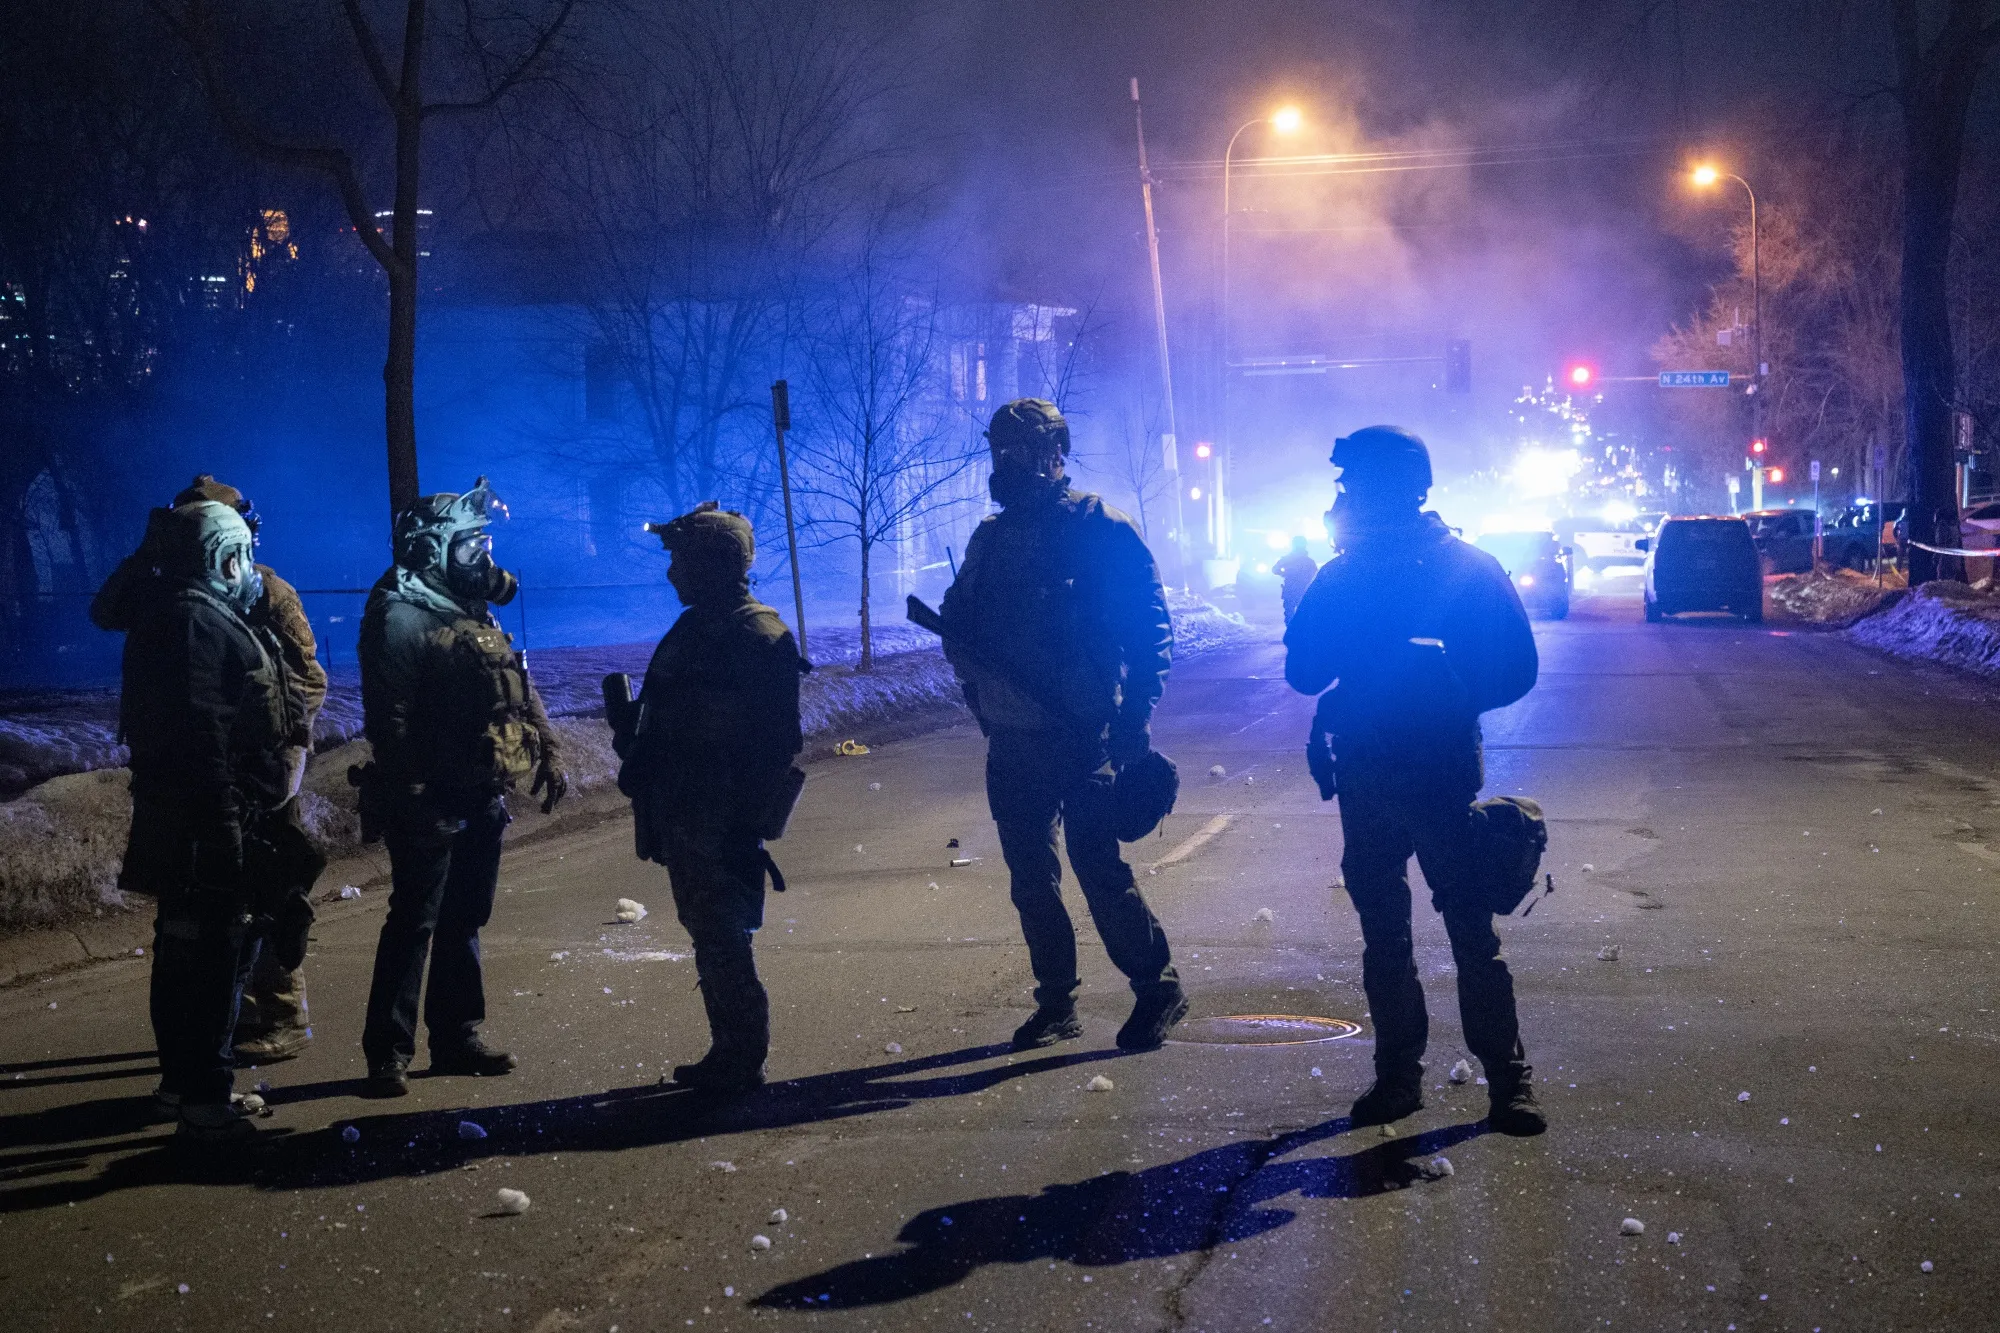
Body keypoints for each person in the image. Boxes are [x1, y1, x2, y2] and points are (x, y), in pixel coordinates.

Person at [1283, 424, 1547, 1136]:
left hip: (1432, 774)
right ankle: (1405, 1077)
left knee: (1465, 932)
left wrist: (1447, 687)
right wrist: (1302, 593)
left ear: (1391, 489)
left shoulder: (1459, 567)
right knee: (1391, 935)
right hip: (1372, 773)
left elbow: (1515, 666)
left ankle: (1504, 1079)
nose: (1342, 496)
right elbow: (1307, 671)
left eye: (1353, 484)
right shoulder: (1350, 573)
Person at [940, 398, 1187, 1053]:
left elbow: (1151, 630)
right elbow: (957, 622)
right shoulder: (990, 540)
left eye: (1021, 450)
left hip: (1085, 733)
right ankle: (1057, 1003)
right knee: (1031, 879)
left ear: (1055, 453)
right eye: (1000, 450)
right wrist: (972, 663)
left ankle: (1157, 988)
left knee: (1095, 865)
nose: (1008, 462)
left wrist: (1134, 716)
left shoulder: (1100, 529)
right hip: (1015, 738)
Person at [91, 475, 329, 1068]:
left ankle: (277, 1014)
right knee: (204, 918)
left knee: (267, 893)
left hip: (263, 772)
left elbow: (305, 678)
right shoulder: (170, 592)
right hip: (206, 774)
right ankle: (211, 1036)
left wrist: (284, 756)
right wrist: (147, 554)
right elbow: (105, 611)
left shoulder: (263, 588)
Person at [355, 478, 567, 1097]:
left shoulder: (466, 610)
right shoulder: (399, 616)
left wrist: (546, 750)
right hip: (430, 795)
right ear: (431, 550)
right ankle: (387, 1054)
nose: (483, 560)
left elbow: (517, 687)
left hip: (479, 787)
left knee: (465, 917)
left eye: (482, 545)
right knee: (414, 920)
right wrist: (412, 792)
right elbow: (387, 719)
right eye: (469, 547)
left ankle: (455, 1037)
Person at [611, 502, 805, 1094]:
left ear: (716, 563)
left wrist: (720, 796)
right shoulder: (703, 625)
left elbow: (775, 740)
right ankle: (730, 1048)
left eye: (682, 559)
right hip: (688, 809)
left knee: (723, 935)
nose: (673, 573)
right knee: (709, 930)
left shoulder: (754, 633)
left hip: (718, 814)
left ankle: (742, 1056)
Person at [1272, 536, 1318, 624]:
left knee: (1302, 613)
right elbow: (1275, 569)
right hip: (1294, 589)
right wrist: (1286, 572)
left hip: (1301, 589)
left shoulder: (1306, 561)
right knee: (1292, 613)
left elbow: (1314, 574)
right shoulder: (1289, 559)